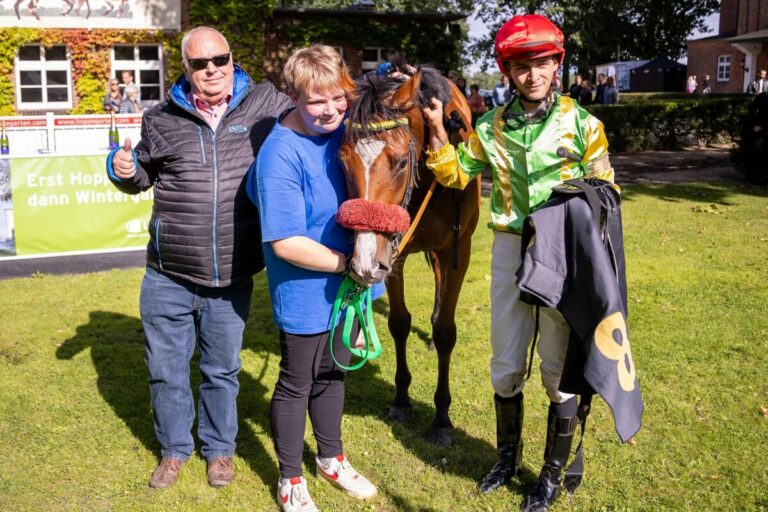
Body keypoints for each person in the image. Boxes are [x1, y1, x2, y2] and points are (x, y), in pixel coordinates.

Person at [421, 14, 616, 512]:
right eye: (521, 67)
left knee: (555, 369)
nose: (533, 75)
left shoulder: (584, 125)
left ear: (557, 65)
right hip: (510, 247)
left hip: (561, 251)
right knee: (506, 366)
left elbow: (606, 192)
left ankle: (550, 474)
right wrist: (438, 131)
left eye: (542, 64)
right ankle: (506, 459)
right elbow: (456, 173)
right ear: (507, 71)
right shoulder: (489, 127)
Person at [105, 26, 291, 489]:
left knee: (221, 370)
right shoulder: (160, 117)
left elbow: (317, 112)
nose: (212, 70)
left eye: (219, 59)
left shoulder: (267, 105)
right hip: (168, 272)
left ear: (232, 58)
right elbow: (141, 173)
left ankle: (219, 450)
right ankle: (173, 451)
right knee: (165, 371)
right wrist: (122, 169)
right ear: (186, 68)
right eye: (200, 63)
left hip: (232, 272)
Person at [246, 44, 380, 512]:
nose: (330, 110)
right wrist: (350, 265)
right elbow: (286, 242)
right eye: (316, 101)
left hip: (351, 284)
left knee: (333, 372)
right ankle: (289, 479)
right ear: (293, 98)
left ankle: (330, 458)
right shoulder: (280, 154)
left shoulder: (346, 133)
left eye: (338, 97)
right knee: (297, 381)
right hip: (305, 288)